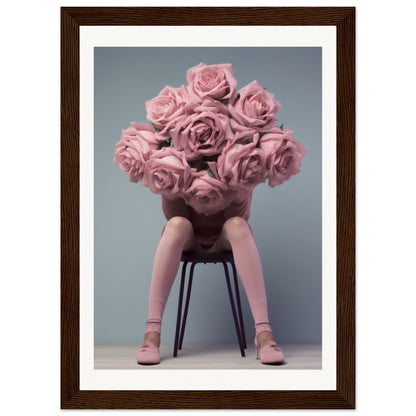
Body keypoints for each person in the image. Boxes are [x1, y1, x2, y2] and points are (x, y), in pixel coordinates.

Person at [136, 188, 284, 365]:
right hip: (188, 237)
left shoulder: (236, 161)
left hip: (225, 236)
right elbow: (174, 215)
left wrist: (236, 184)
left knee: (238, 224)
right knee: (175, 224)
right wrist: (172, 185)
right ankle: (152, 331)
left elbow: (238, 215)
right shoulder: (180, 160)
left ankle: (263, 332)